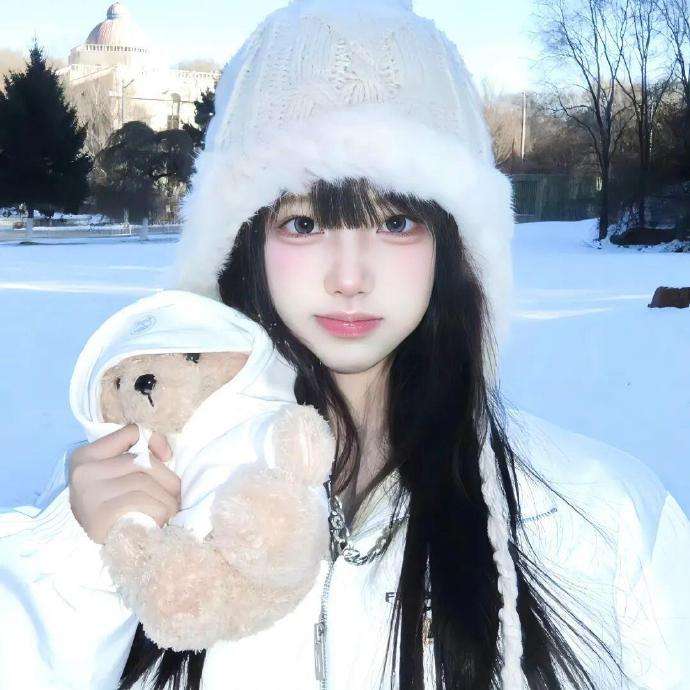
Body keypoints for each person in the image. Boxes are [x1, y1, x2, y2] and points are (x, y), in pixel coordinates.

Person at [1, 0, 689, 688]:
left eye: (396, 222)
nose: (350, 278)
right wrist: (78, 565)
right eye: (304, 224)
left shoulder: (599, 517)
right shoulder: (146, 493)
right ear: (242, 245)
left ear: (455, 246)